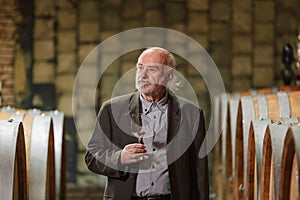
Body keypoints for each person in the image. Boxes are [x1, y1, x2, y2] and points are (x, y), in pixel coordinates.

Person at [85, 47, 209, 200]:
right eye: (140, 68)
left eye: (152, 69)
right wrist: (120, 158)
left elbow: (199, 171)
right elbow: (91, 157)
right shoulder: (112, 109)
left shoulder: (191, 113)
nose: (143, 75)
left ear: (168, 75)